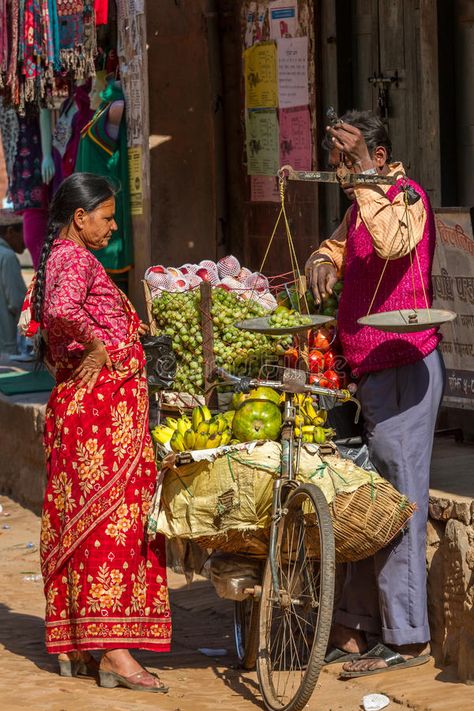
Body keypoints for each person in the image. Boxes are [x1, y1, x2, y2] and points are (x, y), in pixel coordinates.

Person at [306, 110, 445, 678]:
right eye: (340, 165)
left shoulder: (405, 198)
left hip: (405, 370)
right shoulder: (361, 204)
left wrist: (364, 170)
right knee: (366, 508)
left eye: (354, 162)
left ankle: (407, 639)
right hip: (370, 373)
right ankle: (359, 629)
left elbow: (391, 244)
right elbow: (343, 244)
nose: (345, 175)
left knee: (400, 507)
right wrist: (322, 258)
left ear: (381, 158)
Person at [29, 173, 171, 692]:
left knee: (99, 525)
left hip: (99, 413)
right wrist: (95, 347)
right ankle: (114, 653)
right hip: (98, 418)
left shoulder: (67, 257)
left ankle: (88, 643)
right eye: (106, 217)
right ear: (79, 217)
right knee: (110, 527)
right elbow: (59, 310)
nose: (112, 227)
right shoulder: (71, 257)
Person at [0, 211, 26, 355]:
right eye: (24, 232)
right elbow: (18, 303)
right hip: (5, 348)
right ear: (10, 231)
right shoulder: (7, 257)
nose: (27, 241)